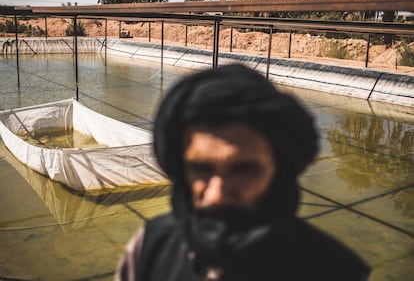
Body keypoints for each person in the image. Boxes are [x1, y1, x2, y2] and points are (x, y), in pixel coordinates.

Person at [115, 64, 370, 281]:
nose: (217, 195)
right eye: (201, 169)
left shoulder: (336, 270)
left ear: (278, 171)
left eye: (244, 170)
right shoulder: (151, 246)